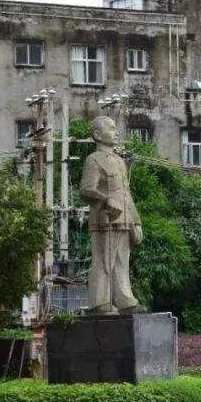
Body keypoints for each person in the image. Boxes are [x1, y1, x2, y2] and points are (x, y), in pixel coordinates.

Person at [80, 115, 144, 315]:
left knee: (121, 261)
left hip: (123, 219)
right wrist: (106, 201)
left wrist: (136, 222)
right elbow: (86, 190)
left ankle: (124, 300)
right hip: (104, 218)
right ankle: (100, 302)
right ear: (97, 135)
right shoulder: (93, 160)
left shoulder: (119, 161)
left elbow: (126, 193)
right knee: (103, 260)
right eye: (112, 128)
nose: (116, 132)